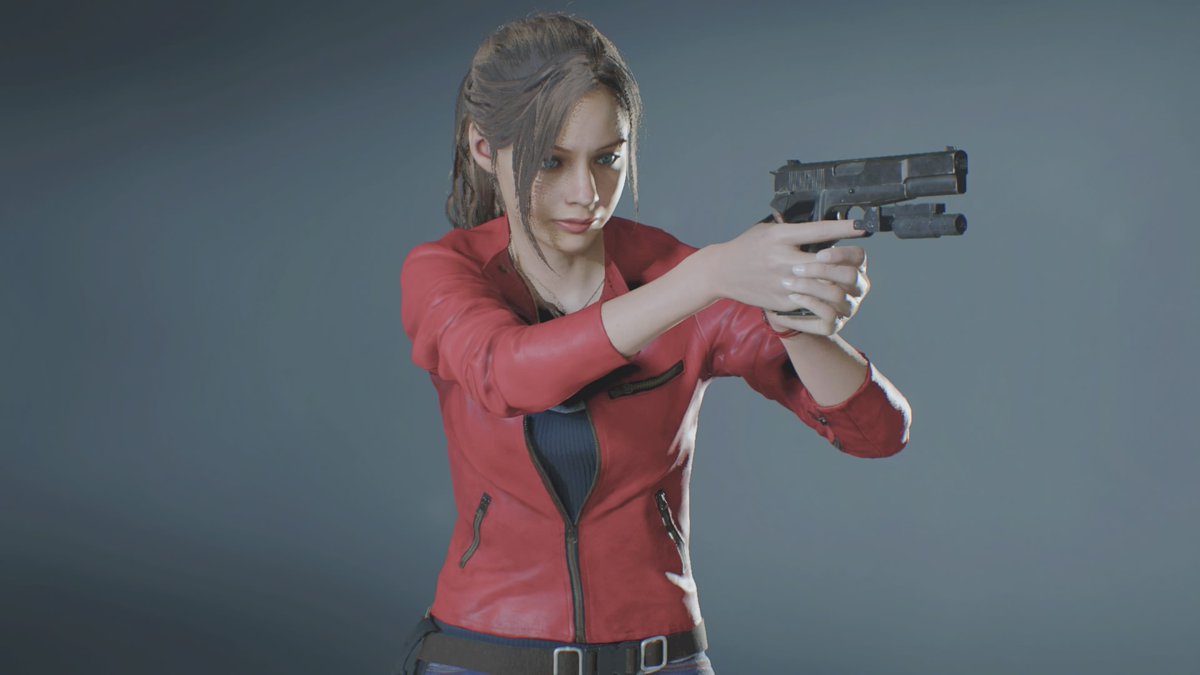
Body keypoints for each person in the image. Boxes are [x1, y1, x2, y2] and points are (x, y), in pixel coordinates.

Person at [397, 12, 911, 675]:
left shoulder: (678, 274)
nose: (586, 193)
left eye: (608, 158)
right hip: (483, 654)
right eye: (552, 161)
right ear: (482, 147)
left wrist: (797, 322)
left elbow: (877, 433)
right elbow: (508, 375)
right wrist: (706, 276)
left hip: (659, 657)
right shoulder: (444, 272)